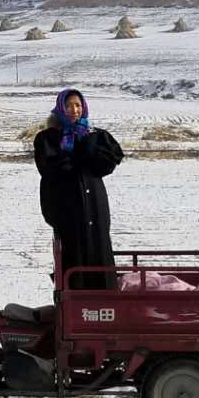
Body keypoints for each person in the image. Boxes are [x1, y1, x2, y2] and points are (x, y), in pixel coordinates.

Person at [33, 88, 124, 291]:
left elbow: (106, 165)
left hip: (95, 205)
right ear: (60, 108)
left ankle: (105, 300)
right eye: (68, 106)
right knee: (73, 251)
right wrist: (80, 154)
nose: (74, 110)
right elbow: (52, 169)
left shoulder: (94, 135)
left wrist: (88, 147)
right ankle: (74, 303)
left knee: (99, 246)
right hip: (67, 208)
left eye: (77, 105)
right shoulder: (49, 138)